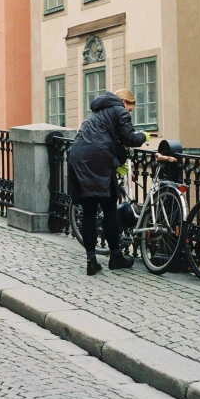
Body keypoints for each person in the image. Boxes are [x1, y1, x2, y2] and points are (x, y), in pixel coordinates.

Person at [68, 88, 150, 276]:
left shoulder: (95, 111)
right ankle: (115, 256)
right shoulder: (118, 110)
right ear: (124, 102)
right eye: (130, 109)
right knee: (109, 210)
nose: (129, 113)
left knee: (89, 211)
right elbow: (128, 137)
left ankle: (91, 261)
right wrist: (143, 136)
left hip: (78, 156)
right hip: (98, 161)